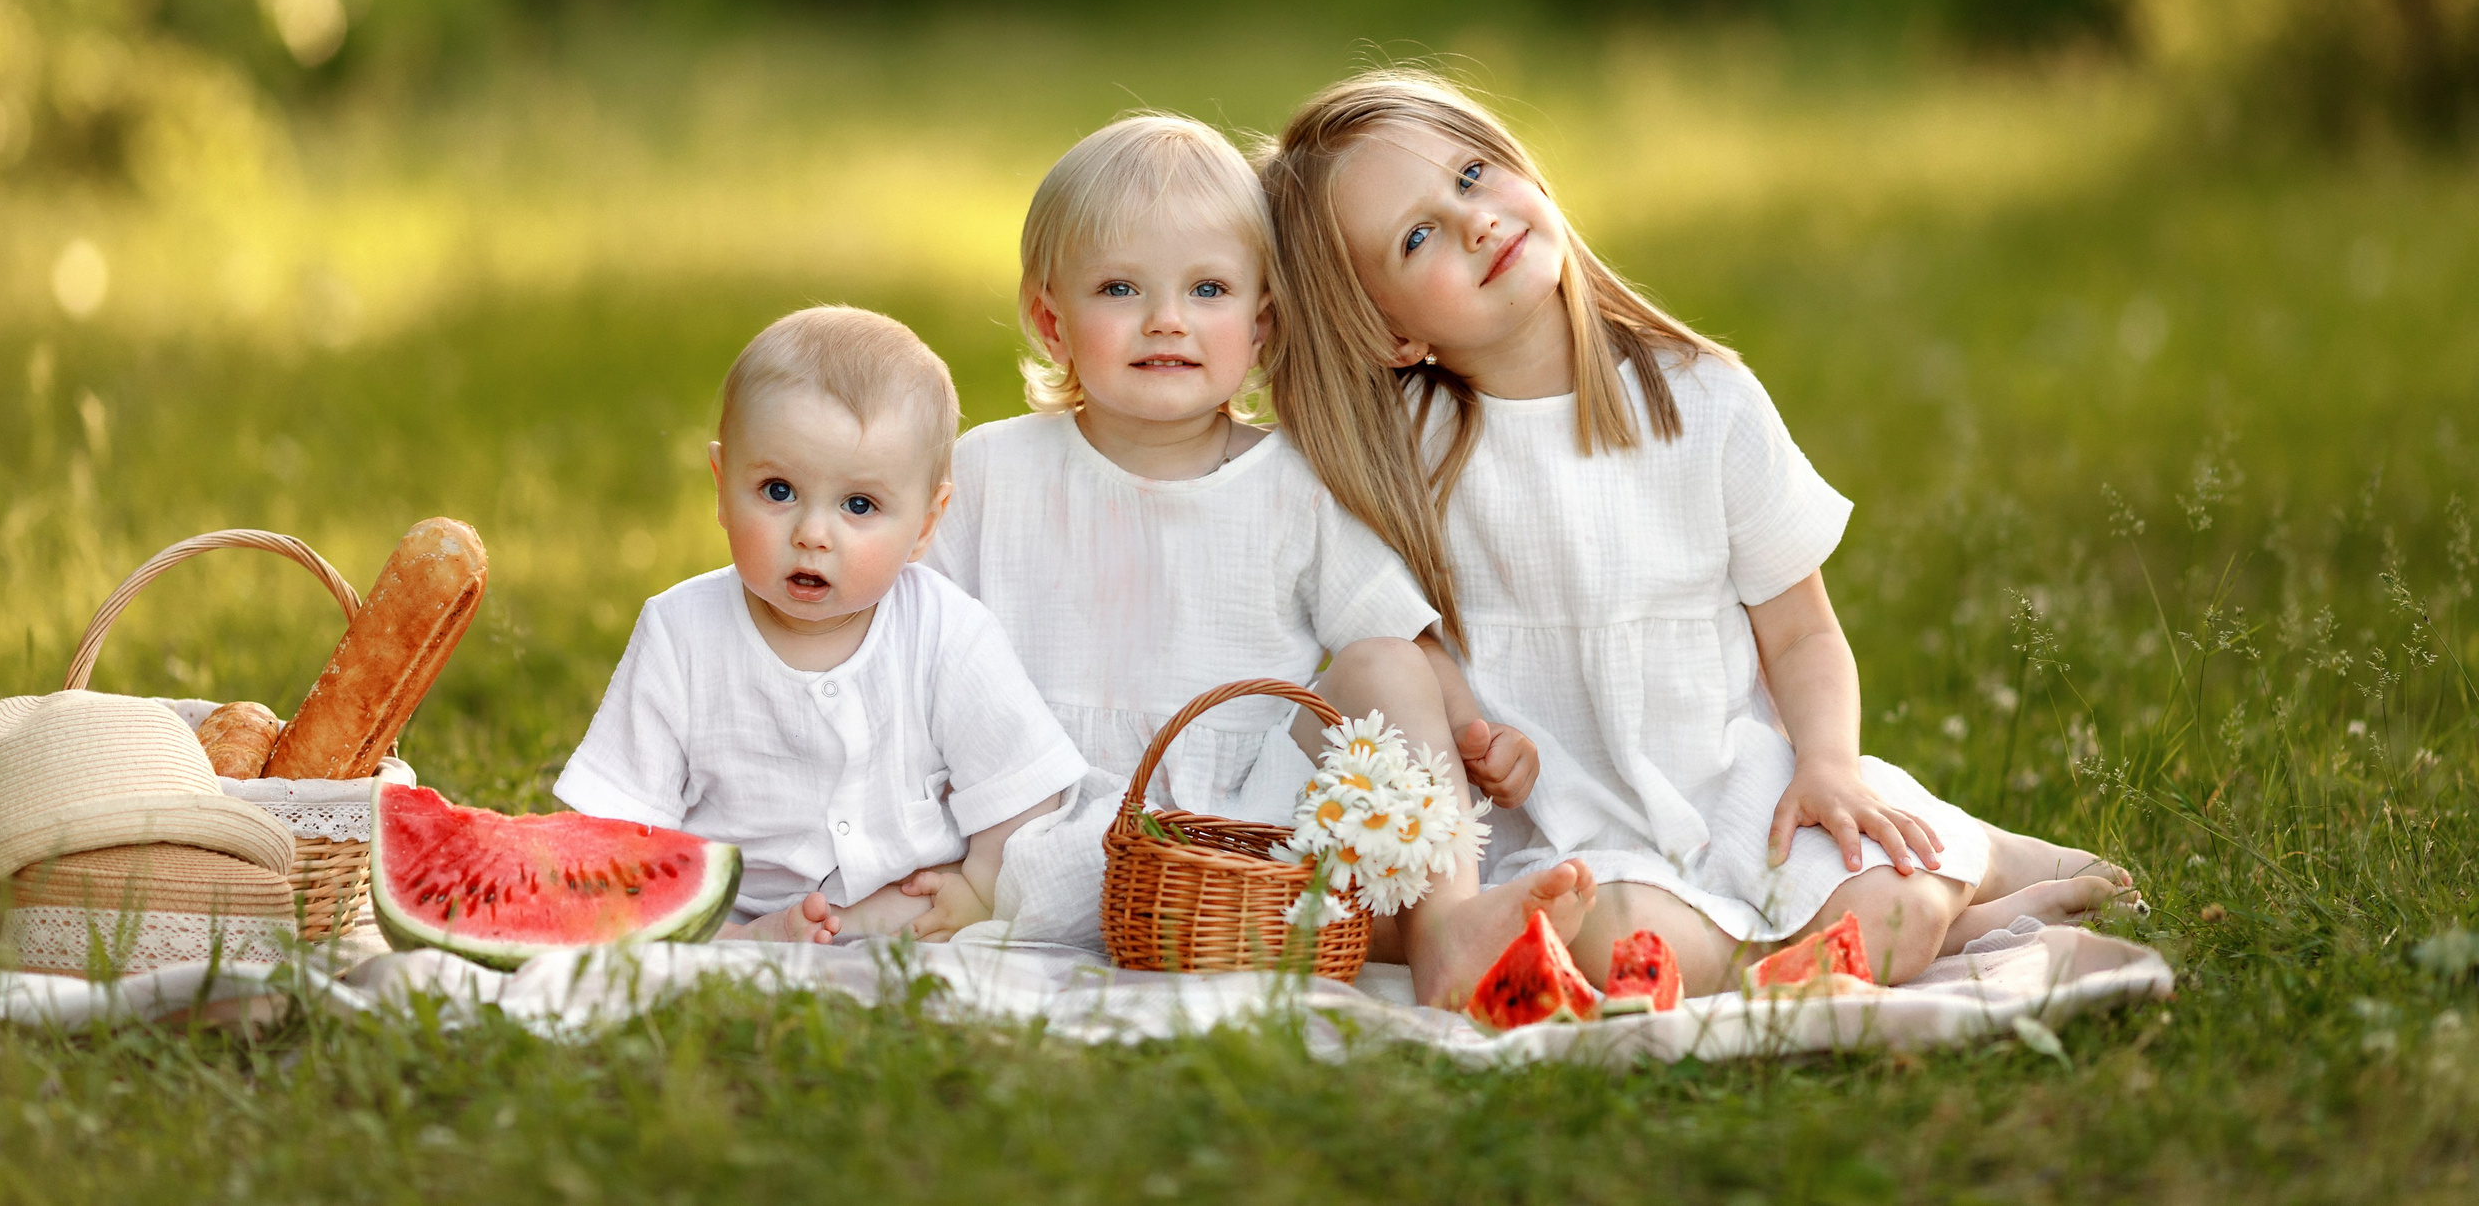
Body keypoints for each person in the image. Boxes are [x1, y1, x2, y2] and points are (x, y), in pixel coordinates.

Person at [1255, 70, 2133, 993]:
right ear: (1390, 333)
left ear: (1525, 175)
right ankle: (1913, 937)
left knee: (1894, 889)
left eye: (1472, 175)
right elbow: (1407, 648)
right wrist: (1474, 729)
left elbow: (1800, 631)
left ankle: (1955, 875)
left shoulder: (1702, 399)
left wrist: (1829, 764)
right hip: (1574, 826)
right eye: (1418, 235)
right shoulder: (1403, 457)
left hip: (1738, 797)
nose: (1472, 218)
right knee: (1615, 936)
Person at [930, 114, 1596, 1002]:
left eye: (1208, 290)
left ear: (1262, 322)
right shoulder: (990, 471)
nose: (1167, 320)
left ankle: (1441, 929)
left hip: (1254, 830)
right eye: (1121, 288)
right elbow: (913, 643)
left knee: (1385, 663)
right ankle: (1369, 933)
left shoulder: (1294, 482)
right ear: (1052, 320)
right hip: (1046, 824)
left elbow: (1397, 630)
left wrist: (1476, 729)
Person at [555, 306, 1085, 943]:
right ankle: (752, 944)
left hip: (907, 900)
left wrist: (976, 888)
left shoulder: (947, 632)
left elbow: (1020, 785)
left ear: (925, 523)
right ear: (722, 487)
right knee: (641, 924)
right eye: (778, 491)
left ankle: (857, 929)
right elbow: (617, 818)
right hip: (730, 906)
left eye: (859, 505)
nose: (811, 534)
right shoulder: (679, 632)